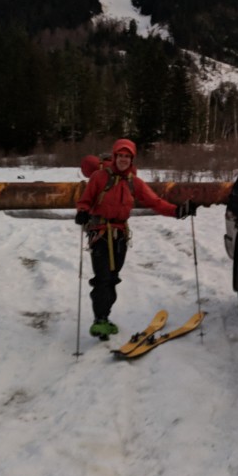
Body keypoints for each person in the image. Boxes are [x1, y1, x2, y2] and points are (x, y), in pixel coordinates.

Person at [74, 138, 196, 339]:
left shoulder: (134, 182)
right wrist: (82, 211)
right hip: (100, 233)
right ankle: (100, 320)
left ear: (132, 159)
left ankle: (105, 317)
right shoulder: (99, 177)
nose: (123, 160)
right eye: (120, 156)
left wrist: (177, 211)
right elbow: (85, 200)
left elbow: (155, 202)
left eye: (127, 156)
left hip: (120, 235)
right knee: (103, 278)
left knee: (112, 278)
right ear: (114, 157)